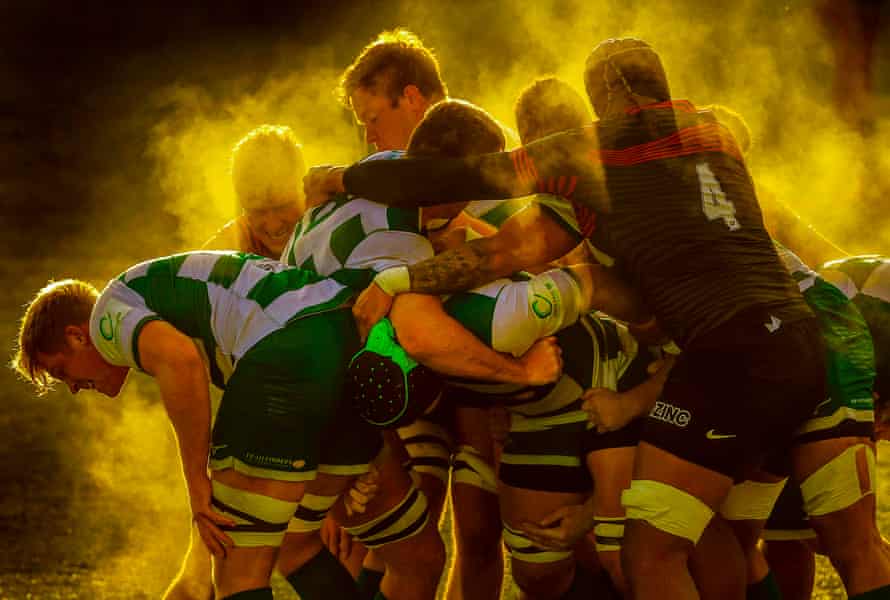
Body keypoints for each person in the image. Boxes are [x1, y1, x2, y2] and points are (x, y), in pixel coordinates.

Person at [303, 37, 869, 600]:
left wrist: (350, 195)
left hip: (727, 354)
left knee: (652, 553)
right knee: (775, 540)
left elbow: (477, 219)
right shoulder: (710, 133)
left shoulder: (593, 150)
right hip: (801, 339)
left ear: (605, 96)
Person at [12, 253, 379, 600]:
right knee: (299, 544)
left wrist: (198, 484)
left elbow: (180, 360)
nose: (74, 388)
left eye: (62, 372)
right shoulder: (165, 300)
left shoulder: (105, 316)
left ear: (78, 336)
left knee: (236, 571)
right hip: (342, 331)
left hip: (288, 343)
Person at [202, 125, 306, 258]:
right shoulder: (225, 250)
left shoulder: (333, 225)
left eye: (283, 206)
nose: (273, 225)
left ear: (305, 190)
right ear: (242, 206)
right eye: (258, 211)